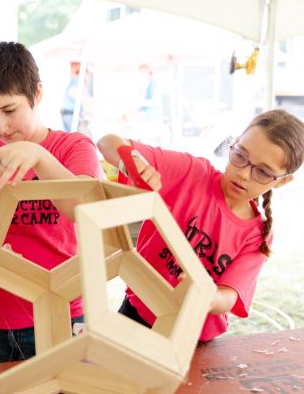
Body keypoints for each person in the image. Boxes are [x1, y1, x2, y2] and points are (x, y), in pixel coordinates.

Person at [0, 41, 101, 364]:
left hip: (57, 314)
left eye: (9, 111)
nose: (0, 127)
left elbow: (80, 209)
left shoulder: (74, 147)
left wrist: (39, 157)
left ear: (37, 94)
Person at [97, 109, 304, 342]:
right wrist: (132, 160)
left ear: (284, 181)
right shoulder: (191, 173)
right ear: (233, 144)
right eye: (240, 156)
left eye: (263, 172)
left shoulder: (257, 235)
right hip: (139, 313)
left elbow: (230, 295)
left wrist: (208, 298)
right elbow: (106, 142)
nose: (244, 174)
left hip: (193, 338)